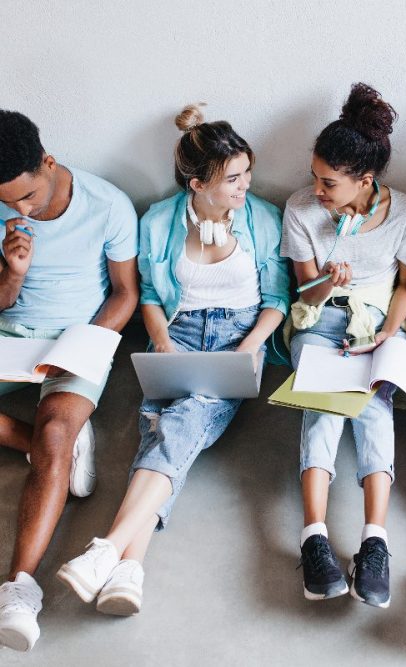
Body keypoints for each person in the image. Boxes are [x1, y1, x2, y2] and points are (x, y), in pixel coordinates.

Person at [57, 103, 290, 617]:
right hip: (177, 335)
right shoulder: (160, 220)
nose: (245, 185)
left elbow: (278, 299)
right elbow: (149, 298)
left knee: (179, 420)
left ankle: (108, 547)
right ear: (196, 184)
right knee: (162, 427)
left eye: (247, 172)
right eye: (232, 178)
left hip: (238, 337)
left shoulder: (265, 220)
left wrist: (248, 350)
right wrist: (161, 341)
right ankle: (127, 569)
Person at [0, 110, 138, 651]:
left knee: (57, 431)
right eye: (8, 201)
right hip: (13, 335)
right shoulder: (3, 207)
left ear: (48, 163)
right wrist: (12, 274)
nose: (19, 209)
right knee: (51, 446)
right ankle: (38, 450)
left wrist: (79, 346)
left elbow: (125, 293)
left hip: (79, 336)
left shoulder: (108, 205)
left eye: (26, 197)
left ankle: (20, 589)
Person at [281, 83, 406, 608]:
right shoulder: (300, 210)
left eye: (329, 183)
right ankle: (313, 535)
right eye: (315, 177)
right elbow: (303, 292)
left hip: (377, 326)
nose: (316, 190)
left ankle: (374, 540)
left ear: (366, 180)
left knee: (374, 409)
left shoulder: (405, 213)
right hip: (319, 321)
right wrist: (327, 283)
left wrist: (389, 332)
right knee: (322, 410)